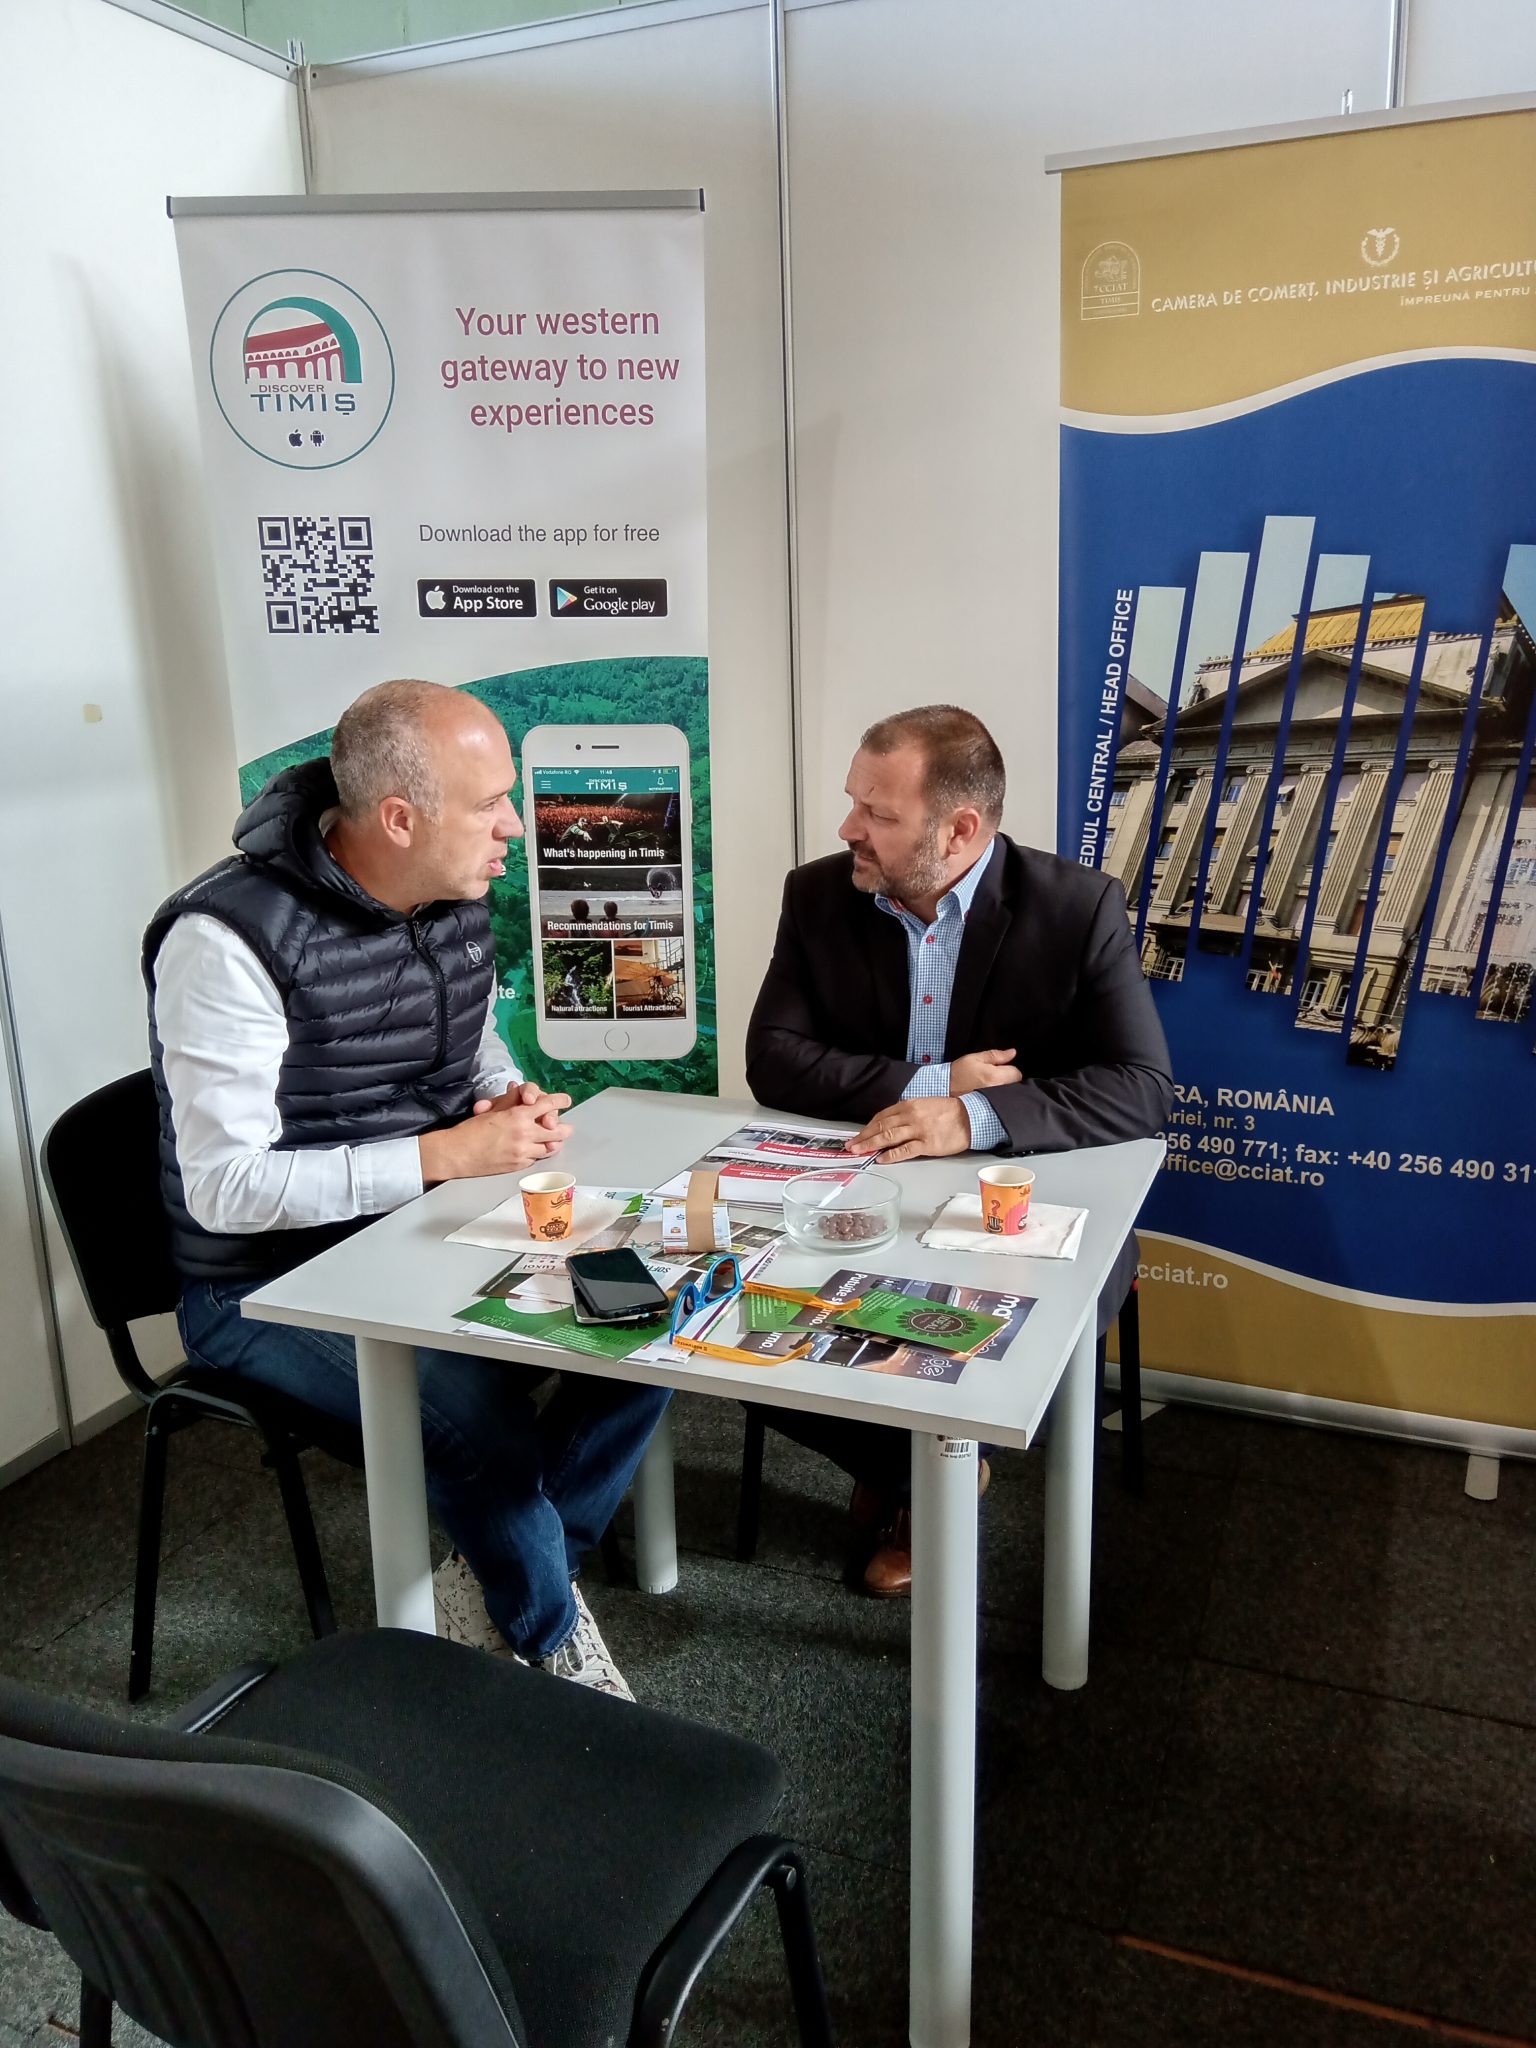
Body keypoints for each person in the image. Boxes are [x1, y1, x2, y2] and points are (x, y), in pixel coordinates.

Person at [145, 679, 669, 1698]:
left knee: (647, 1316)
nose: (515, 824)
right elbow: (223, 1190)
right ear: (399, 818)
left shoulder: (450, 893)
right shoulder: (224, 941)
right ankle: (551, 1652)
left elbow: (468, 1044)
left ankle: (509, 1570)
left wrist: (498, 1092)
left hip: (419, 1224)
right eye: (491, 803)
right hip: (261, 1284)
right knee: (479, 1428)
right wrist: (443, 1156)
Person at [745, 704, 1173, 1596]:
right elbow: (772, 1059)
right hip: (863, 1191)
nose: (848, 828)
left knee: (973, 1336)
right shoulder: (819, 894)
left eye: (878, 814)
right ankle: (918, 1468)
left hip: (1022, 1204)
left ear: (960, 830)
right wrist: (936, 1086)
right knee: (732, 1319)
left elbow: (1141, 1088)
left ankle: (914, 1470)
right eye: (854, 801)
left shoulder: (1075, 907)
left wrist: (974, 1119)